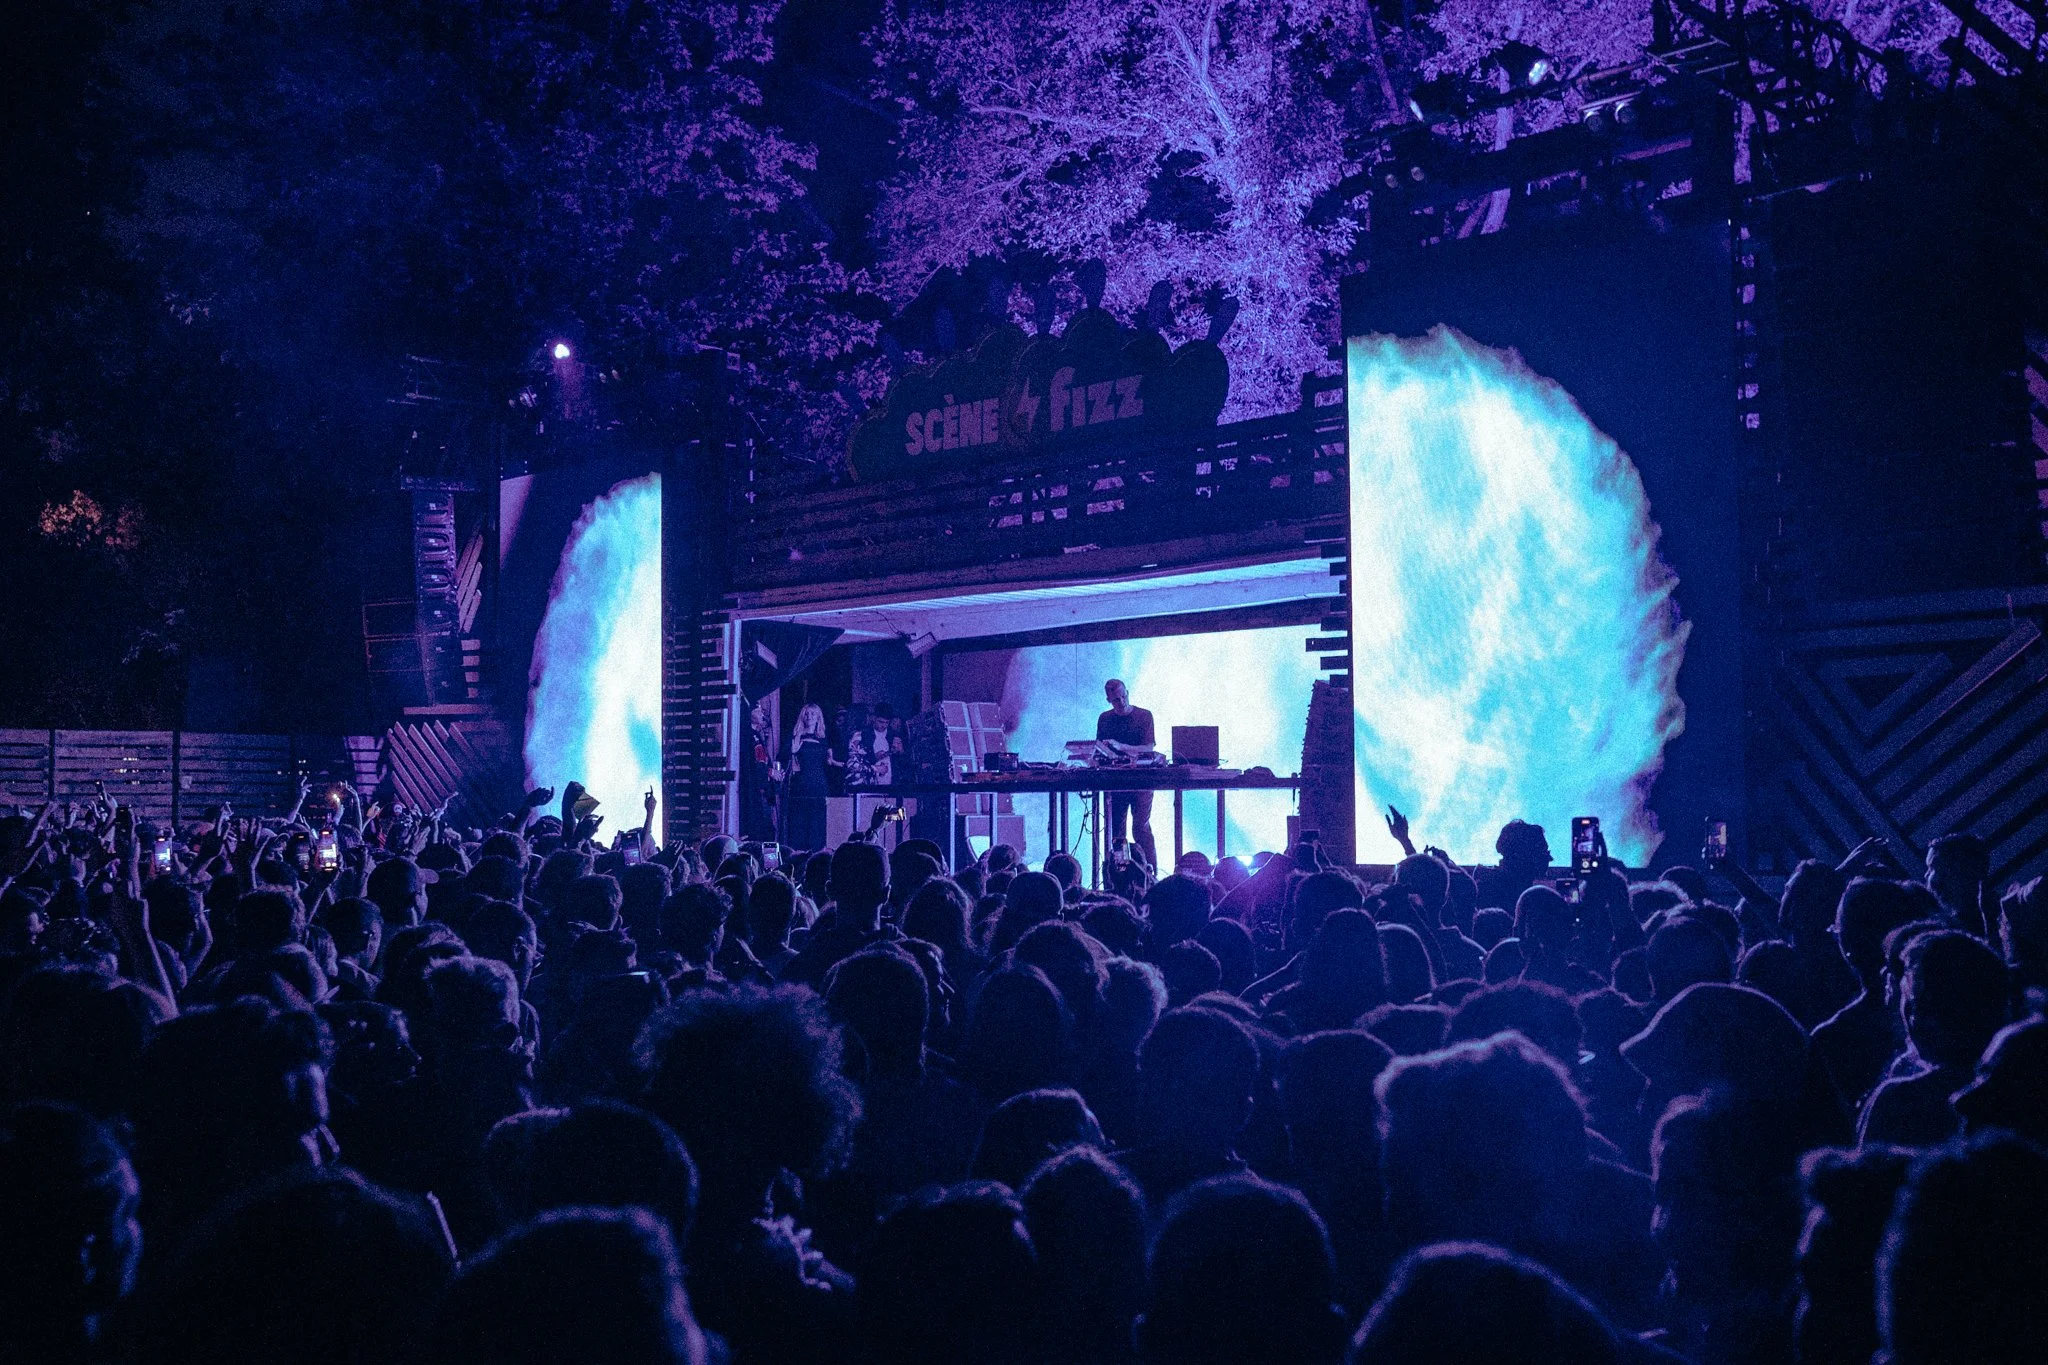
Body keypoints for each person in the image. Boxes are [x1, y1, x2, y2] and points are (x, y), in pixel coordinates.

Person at [1098, 679, 1158, 871]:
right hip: (1116, 781)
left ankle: (1150, 873)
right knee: (1117, 831)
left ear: (1128, 693)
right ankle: (1121, 872)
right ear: (1109, 700)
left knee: (1141, 828)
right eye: (1116, 699)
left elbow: (1148, 747)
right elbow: (1100, 749)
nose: (1122, 702)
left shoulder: (1144, 716)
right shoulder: (1105, 719)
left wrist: (1121, 747)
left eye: (1123, 696)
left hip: (1142, 780)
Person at [786, 703, 831, 853]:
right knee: (799, 827)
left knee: (817, 829)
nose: (809, 716)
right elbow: (786, 758)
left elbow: (826, 765)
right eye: (806, 713)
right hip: (800, 787)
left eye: (812, 714)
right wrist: (793, 750)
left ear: (818, 717)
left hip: (818, 787)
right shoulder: (796, 736)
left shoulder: (823, 739)